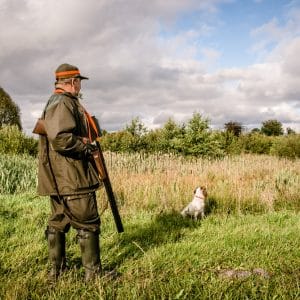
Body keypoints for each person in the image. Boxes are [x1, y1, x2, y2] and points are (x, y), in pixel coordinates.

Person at [36, 63, 102, 282]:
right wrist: (86, 147)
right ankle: (93, 276)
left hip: (60, 178)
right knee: (87, 222)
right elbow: (61, 138)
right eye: (79, 81)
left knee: (59, 221)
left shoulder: (57, 101)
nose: (80, 86)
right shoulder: (63, 102)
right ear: (73, 82)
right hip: (72, 176)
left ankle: (57, 272)